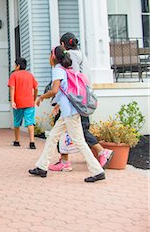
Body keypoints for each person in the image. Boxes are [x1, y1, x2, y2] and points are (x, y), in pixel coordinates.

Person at [29, 46, 106, 183]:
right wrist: (58, 105)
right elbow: (65, 92)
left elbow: (54, 90)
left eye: (49, 56)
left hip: (70, 114)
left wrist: (41, 97)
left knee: (79, 142)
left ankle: (97, 170)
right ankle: (42, 167)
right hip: (67, 113)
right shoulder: (66, 70)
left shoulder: (58, 70)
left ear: (53, 57)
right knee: (52, 137)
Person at [48, 32, 114, 172]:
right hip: (83, 97)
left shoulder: (70, 57)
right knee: (66, 130)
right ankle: (64, 160)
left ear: (63, 44)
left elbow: (72, 81)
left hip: (74, 100)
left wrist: (59, 102)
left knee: (78, 131)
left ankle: (101, 152)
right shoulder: (81, 54)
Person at [8, 57, 39, 149]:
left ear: (18, 66)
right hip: (29, 102)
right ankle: (32, 142)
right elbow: (36, 87)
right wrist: (34, 98)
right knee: (30, 122)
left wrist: (13, 101)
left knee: (17, 122)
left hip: (18, 103)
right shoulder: (30, 75)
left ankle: (17, 141)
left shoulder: (14, 75)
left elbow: (12, 88)